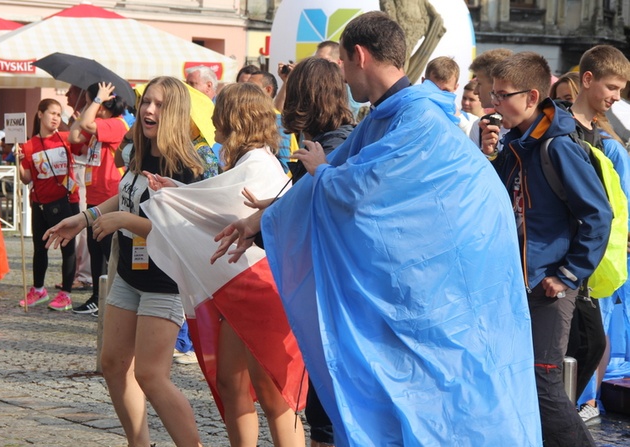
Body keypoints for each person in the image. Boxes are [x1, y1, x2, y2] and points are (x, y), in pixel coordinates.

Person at [213, 12, 541, 446]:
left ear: (360, 56)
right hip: (430, 289)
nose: (345, 80)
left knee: (456, 397)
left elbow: (359, 186)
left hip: (456, 293)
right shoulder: (386, 116)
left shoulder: (418, 120)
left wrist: (321, 172)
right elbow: (348, 170)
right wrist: (261, 220)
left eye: (345, 66)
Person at [44, 76, 216, 447]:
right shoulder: (141, 150)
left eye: (159, 105)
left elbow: (178, 228)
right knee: (113, 365)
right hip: (129, 275)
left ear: (175, 113)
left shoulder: (186, 163)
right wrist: (85, 218)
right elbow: (126, 196)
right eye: (146, 103)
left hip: (165, 280)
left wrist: (124, 222)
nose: (149, 110)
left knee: (151, 376)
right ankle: (140, 443)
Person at [143, 82, 306, 447]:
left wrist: (178, 196)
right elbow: (220, 206)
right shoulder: (250, 164)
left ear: (235, 120)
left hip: (263, 288)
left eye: (219, 118)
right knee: (232, 383)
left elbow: (222, 210)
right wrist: (176, 192)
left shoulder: (260, 165)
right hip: (245, 292)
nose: (214, 126)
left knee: (271, 392)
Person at [480, 51, 612, 447]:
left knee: (543, 381)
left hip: (549, 284)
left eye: (503, 95)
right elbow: (499, 201)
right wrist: (490, 155)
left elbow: (598, 216)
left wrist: (568, 274)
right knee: (520, 381)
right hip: (519, 283)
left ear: (532, 96)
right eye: (493, 94)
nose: (494, 103)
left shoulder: (557, 147)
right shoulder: (516, 142)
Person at [280, 56, 355, 447]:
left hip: (335, 288)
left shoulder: (335, 145)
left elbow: (346, 208)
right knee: (320, 406)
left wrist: (319, 172)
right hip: (322, 283)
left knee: (327, 410)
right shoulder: (322, 142)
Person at [566, 45, 630, 423]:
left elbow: (617, 211)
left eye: (621, 89)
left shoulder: (609, 146)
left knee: (593, 340)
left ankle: (584, 403)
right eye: (612, 87)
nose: (617, 97)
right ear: (587, 80)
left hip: (596, 266)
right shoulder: (560, 134)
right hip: (567, 263)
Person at [69, 82, 128, 315]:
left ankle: (111, 297)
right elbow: (74, 136)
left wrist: (95, 100)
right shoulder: (98, 126)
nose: (88, 106)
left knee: (109, 249)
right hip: (95, 194)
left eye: (91, 101)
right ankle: (97, 296)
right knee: (96, 249)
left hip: (110, 195)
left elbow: (84, 124)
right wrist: (88, 105)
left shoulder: (116, 123)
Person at [16, 98, 79, 311]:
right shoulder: (29, 145)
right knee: (39, 248)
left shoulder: (66, 138)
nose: (55, 118)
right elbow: (26, 179)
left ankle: (66, 294)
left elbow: (82, 143)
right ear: (40, 114)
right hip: (40, 203)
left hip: (68, 200)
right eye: (52, 113)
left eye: (58, 114)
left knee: (68, 248)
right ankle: (38, 289)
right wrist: (18, 161)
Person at [62, 84, 93, 292]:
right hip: (76, 174)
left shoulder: (90, 118)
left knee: (83, 224)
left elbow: (79, 144)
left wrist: (77, 123)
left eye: (72, 91)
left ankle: (84, 275)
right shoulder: (81, 116)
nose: (66, 94)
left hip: (85, 173)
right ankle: (77, 273)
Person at [468, 48, 513, 148]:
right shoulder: (479, 127)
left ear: (496, 85)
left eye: (479, 83)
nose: (475, 91)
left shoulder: (528, 127)